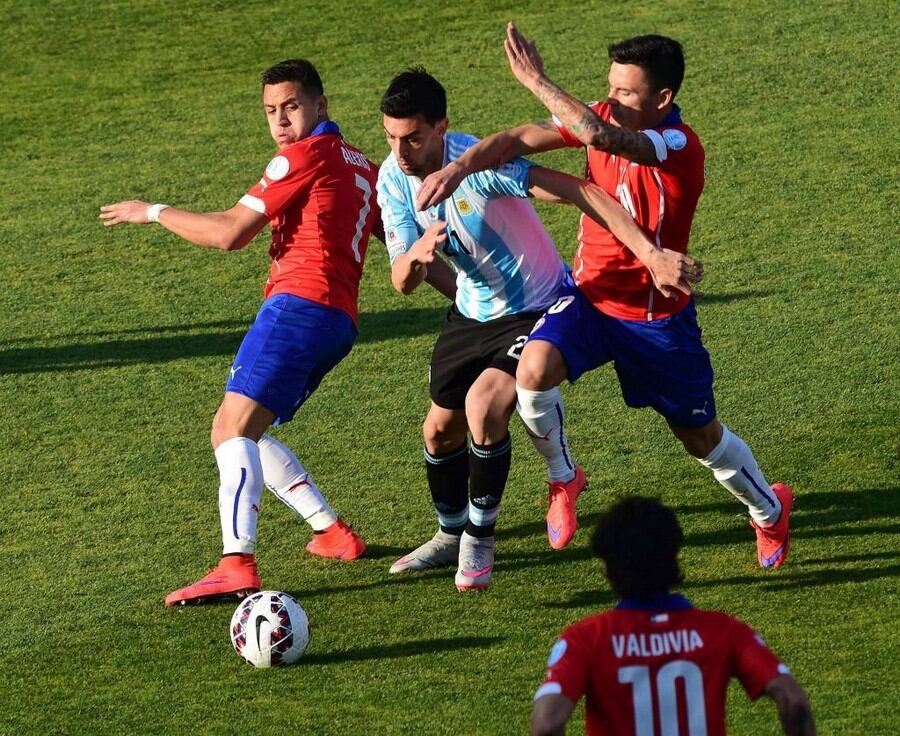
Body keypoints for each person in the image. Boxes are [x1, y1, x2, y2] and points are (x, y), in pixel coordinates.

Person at [416, 25, 793, 568]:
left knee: (701, 439)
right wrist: (458, 168)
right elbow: (517, 140)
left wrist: (535, 79)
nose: (611, 101)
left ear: (662, 99)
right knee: (533, 372)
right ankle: (564, 479)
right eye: (609, 88)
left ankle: (767, 510)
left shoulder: (677, 145)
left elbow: (600, 136)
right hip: (591, 300)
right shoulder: (603, 114)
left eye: (625, 93)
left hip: (654, 318)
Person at [377, 68, 693, 590]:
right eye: (390, 137)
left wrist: (649, 253)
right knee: (439, 430)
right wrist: (414, 258)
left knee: (484, 406)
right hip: (471, 312)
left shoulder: (479, 167)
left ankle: (479, 543)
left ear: (441, 127)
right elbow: (402, 281)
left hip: (536, 306)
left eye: (412, 137)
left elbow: (581, 192)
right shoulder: (392, 178)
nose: (401, 150)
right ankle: (450, 534)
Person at [100, 59, 380, 606]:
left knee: (229, 431)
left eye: (292, 106)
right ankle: (331, 533)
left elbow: (230, 233)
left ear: (322, 106)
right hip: (338, 320)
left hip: (297, 308)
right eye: (271, 111)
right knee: (245, 430)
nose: (281, 121)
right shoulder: (362, 165)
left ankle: (236, 563)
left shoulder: (300, 157)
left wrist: (153, 211)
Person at [531, 497, 816, 736]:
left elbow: (548, 722)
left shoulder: (586, 639)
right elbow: (793, 700)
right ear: (674, 556)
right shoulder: (723, 631)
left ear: (608, 569)